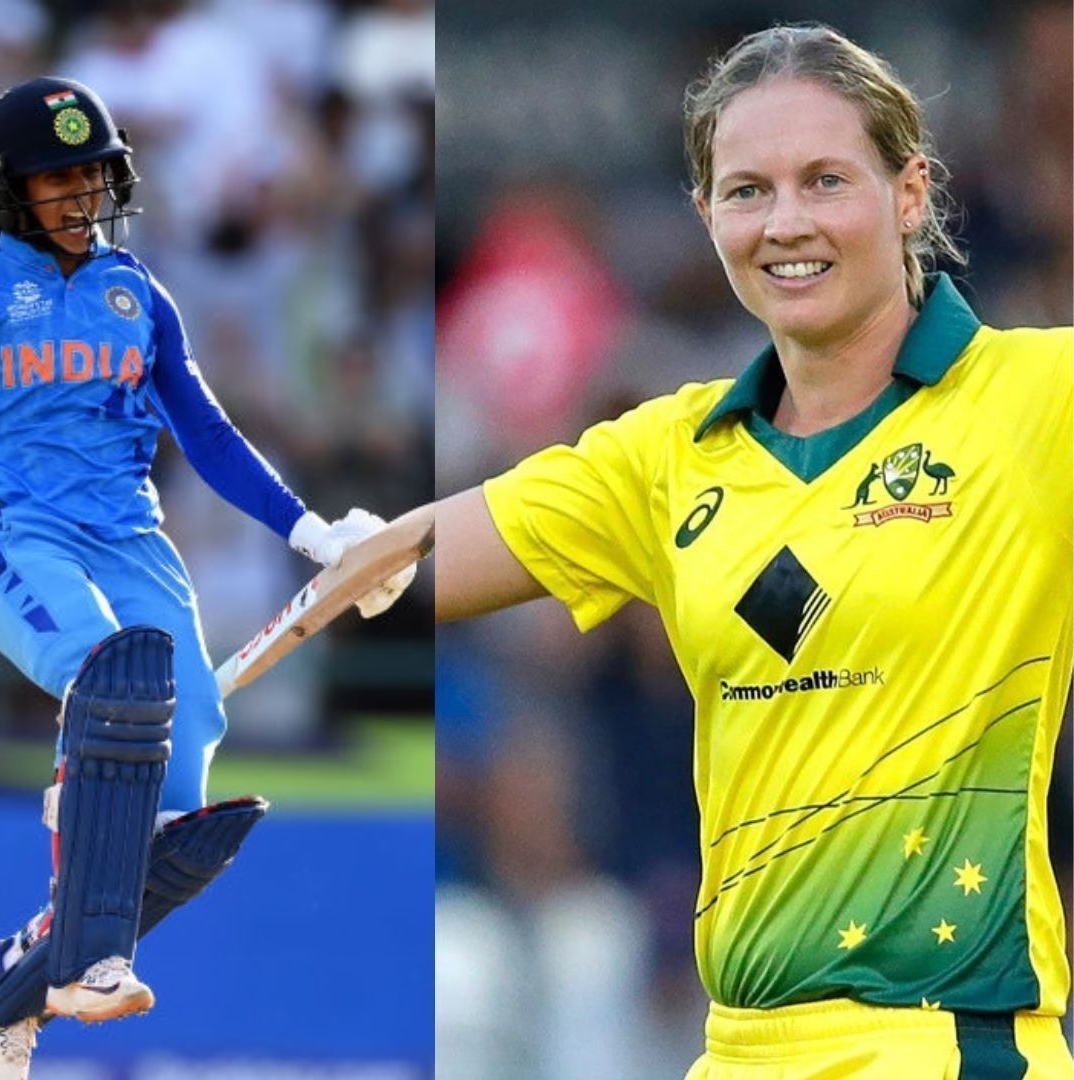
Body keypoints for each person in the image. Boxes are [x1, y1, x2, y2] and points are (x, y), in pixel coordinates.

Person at [433, 23, 1074, 1078]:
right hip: (735, 1052)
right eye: (747, 190)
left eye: (826, 180)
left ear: (910, 192)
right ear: (704, 214)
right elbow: (403, 561)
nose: (786, 224)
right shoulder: (665, 454)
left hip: (946, 1046)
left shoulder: (1032, 400)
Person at [0, 76, 414, 1079]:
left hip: (135, 546)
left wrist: (312, 534)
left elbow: (211, 437)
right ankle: (94, 952)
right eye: (57, 178)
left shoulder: (136, 294)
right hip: (27, 542)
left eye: (92, 172)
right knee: (113, 680)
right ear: (15, 190)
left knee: (183, 772)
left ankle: (11, 974)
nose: (81, 193)